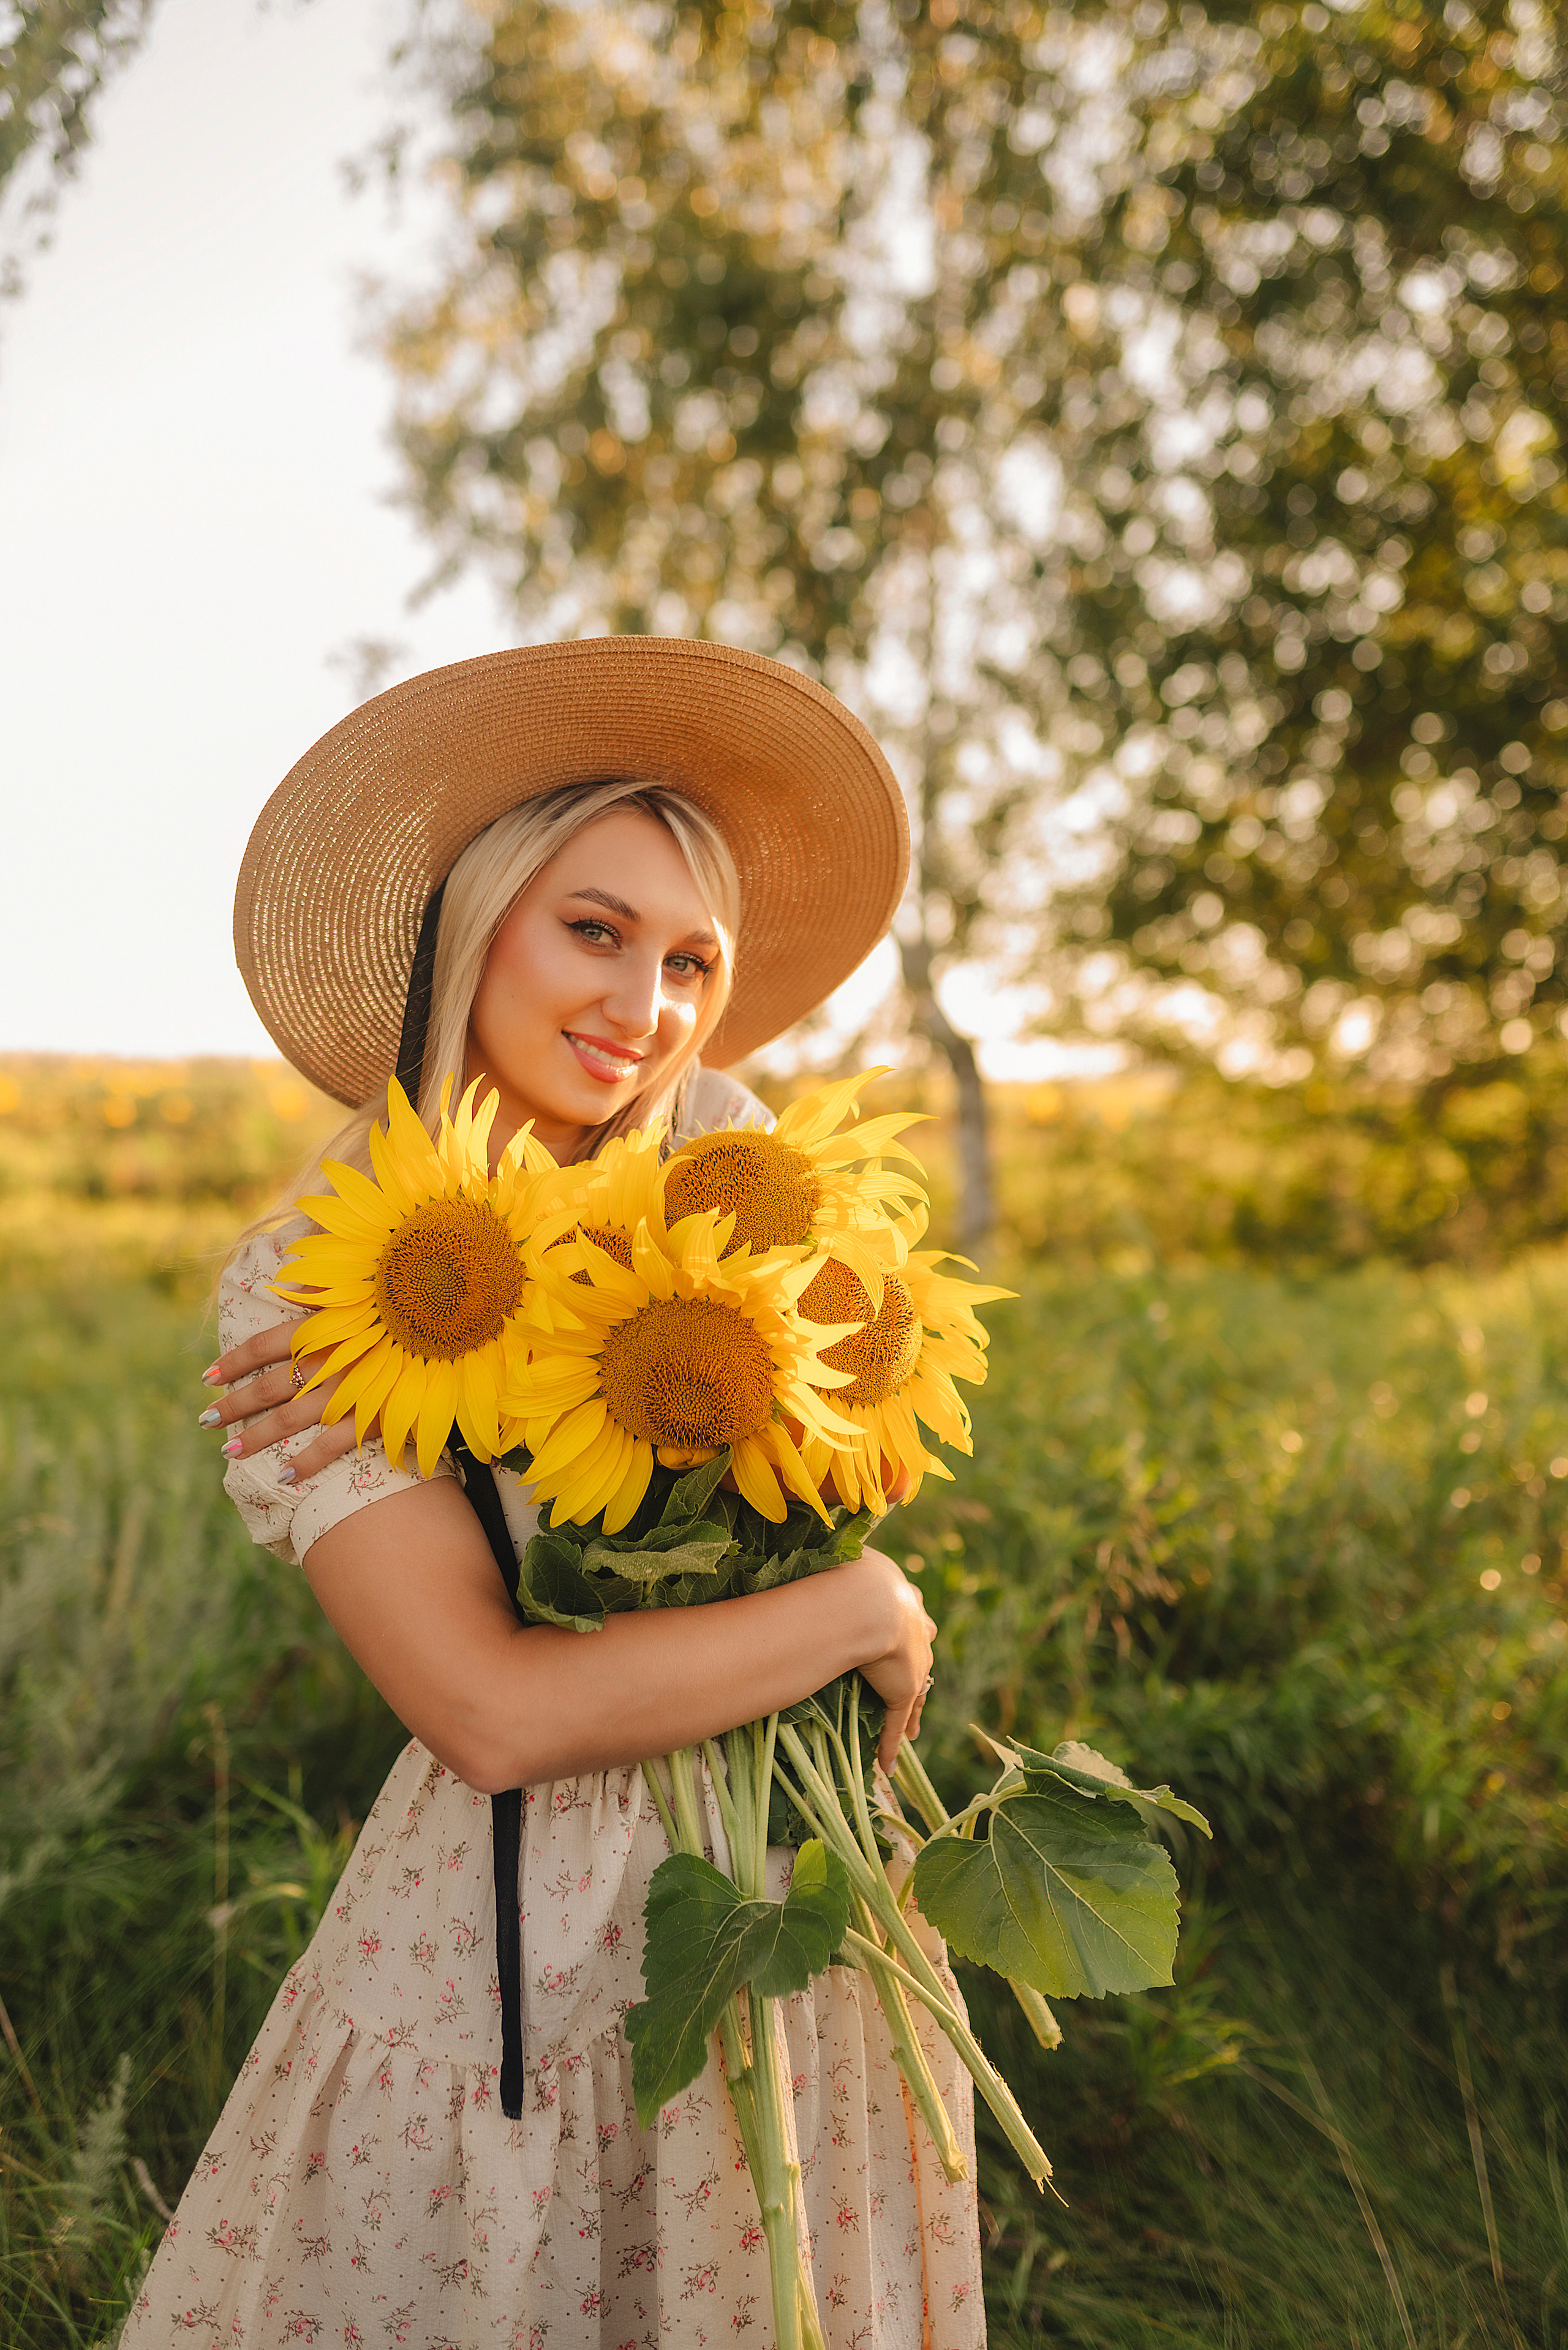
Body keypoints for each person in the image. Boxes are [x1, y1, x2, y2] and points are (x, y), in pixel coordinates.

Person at [123, 639, 984, 2348]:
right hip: (524, 1942)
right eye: (595, 930)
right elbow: (491, 1713)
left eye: (691, 960)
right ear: (472, 923)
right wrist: (864, 1610)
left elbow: (847, 1451)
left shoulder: (723, 1159)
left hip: (783, 1890)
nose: (647, 1008)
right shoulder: (318, 1289)